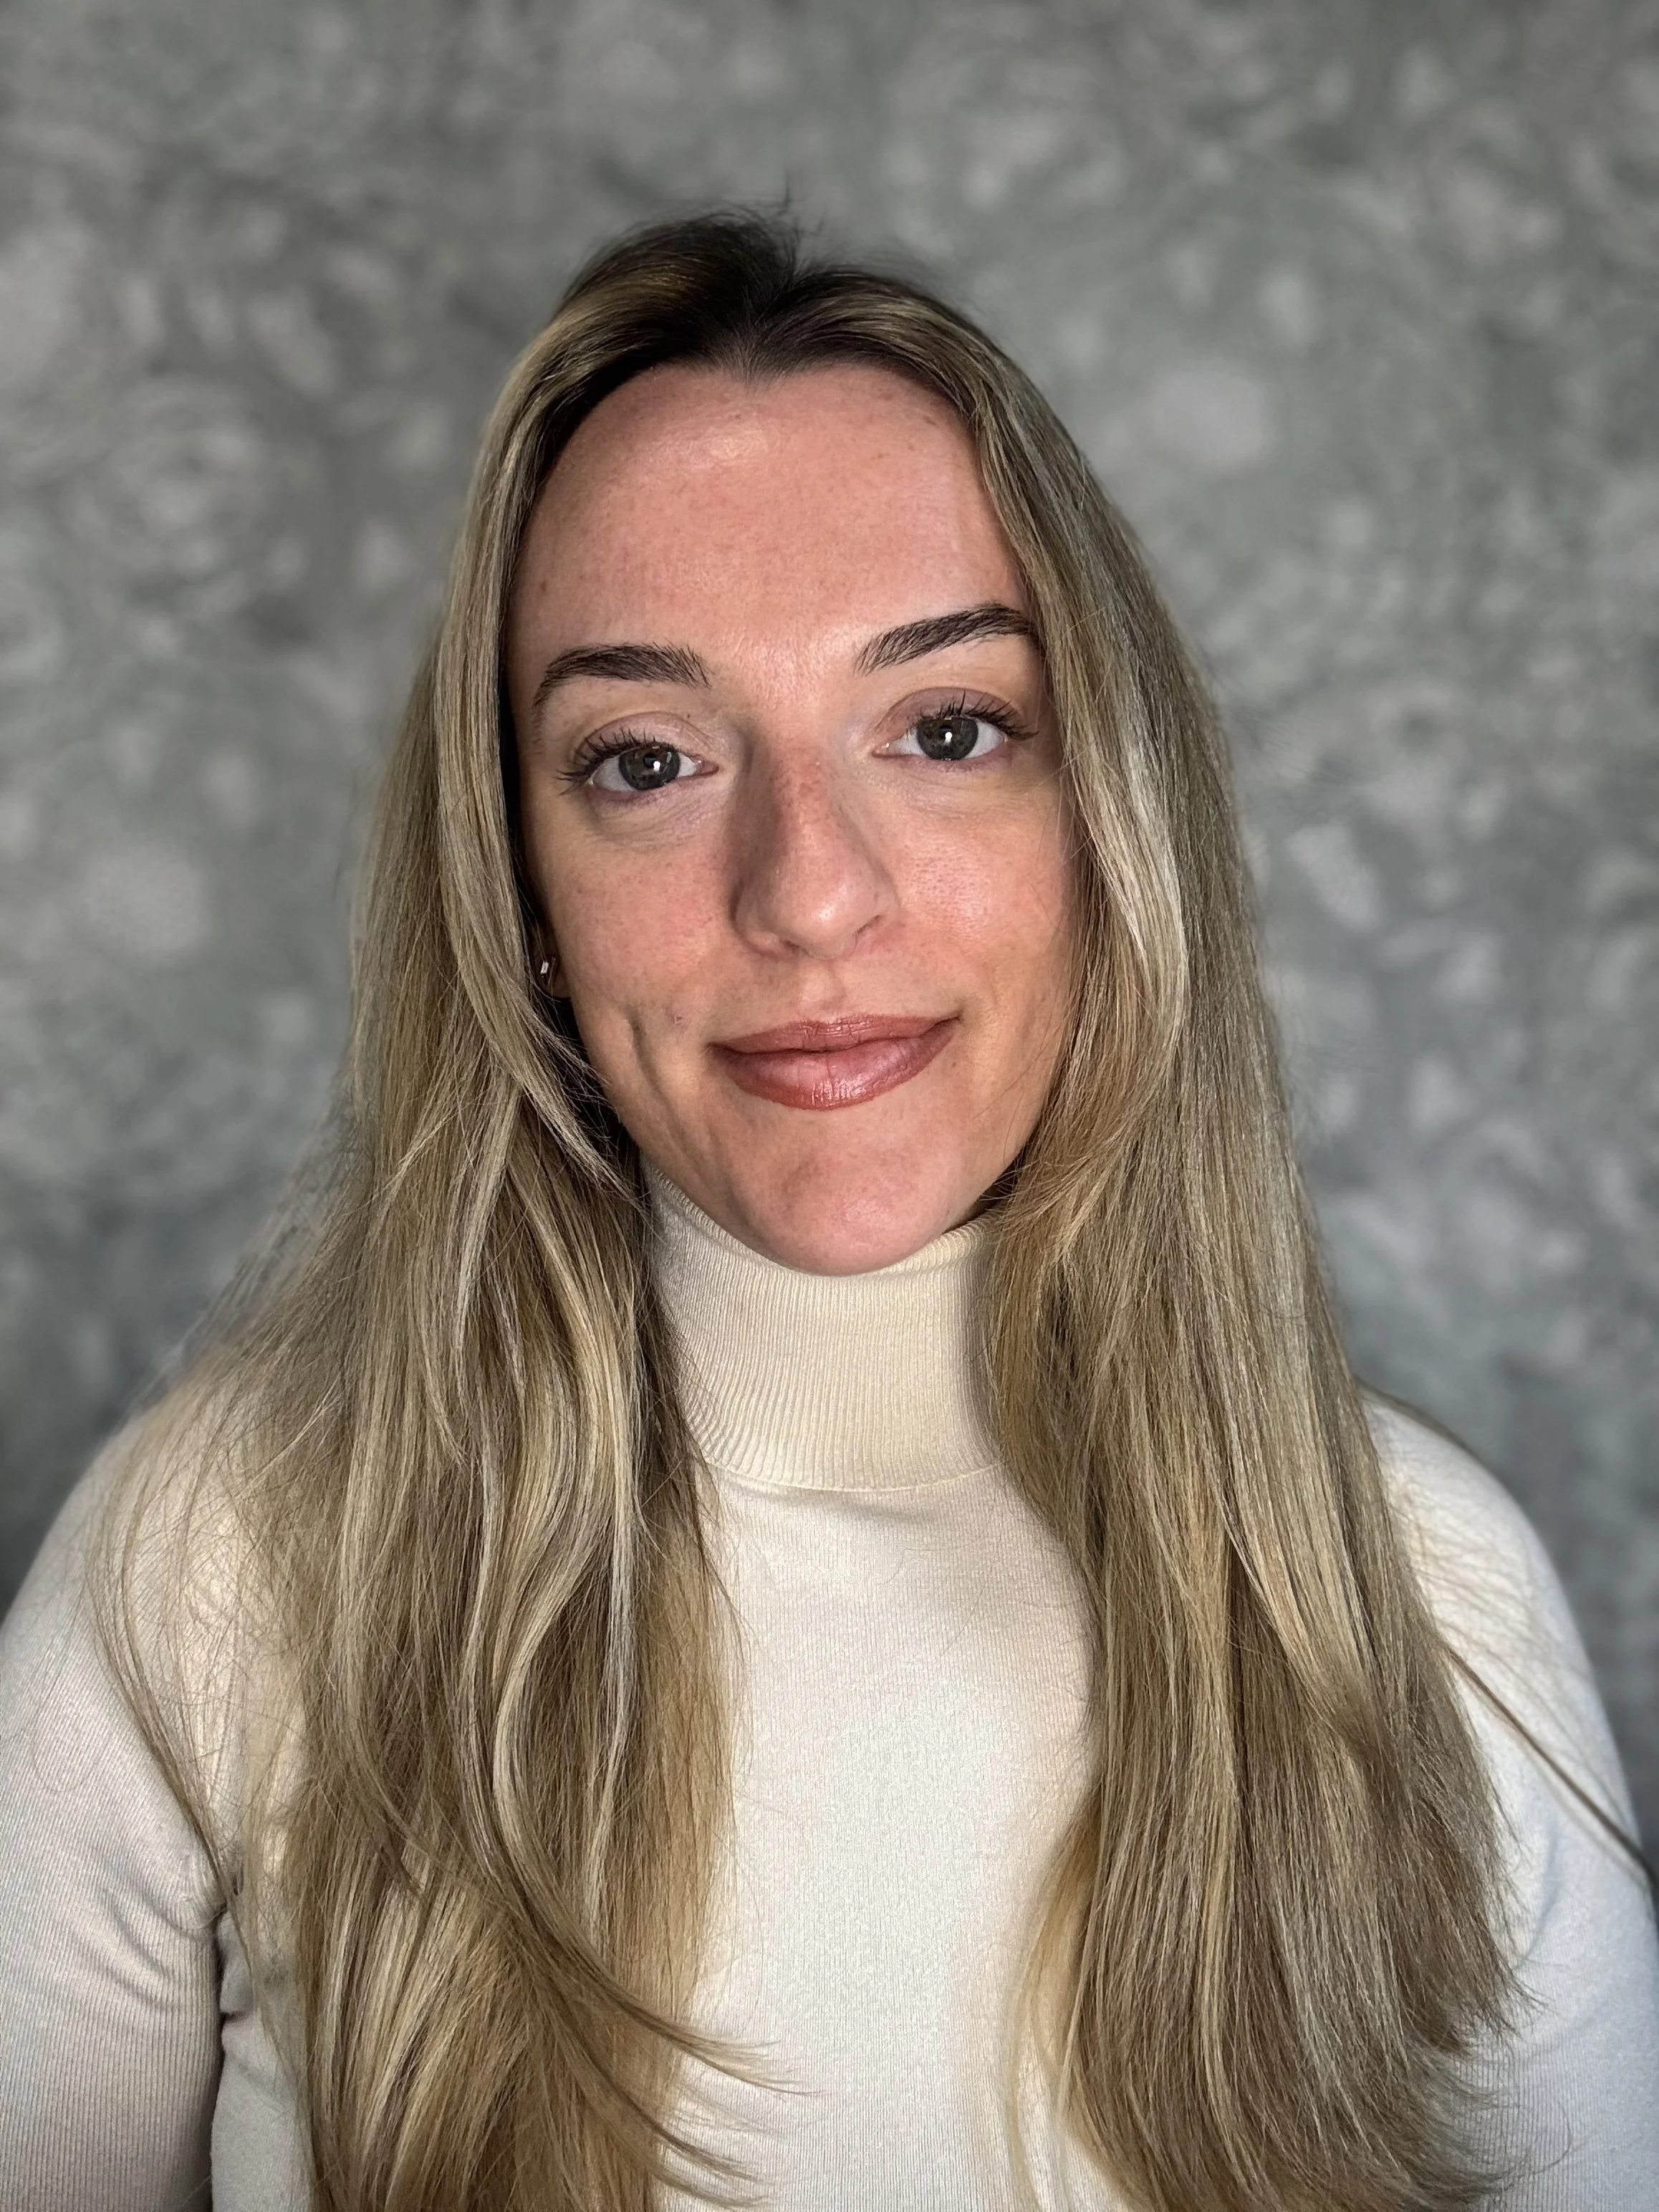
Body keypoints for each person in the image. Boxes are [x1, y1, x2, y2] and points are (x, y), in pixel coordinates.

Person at [0, 209, 1654, 2212]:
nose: (804, 893)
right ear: (518, 892)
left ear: (1104, 828)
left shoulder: (1419, 1598)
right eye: (646, 759)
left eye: (945, 729)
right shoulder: (220, 1567)